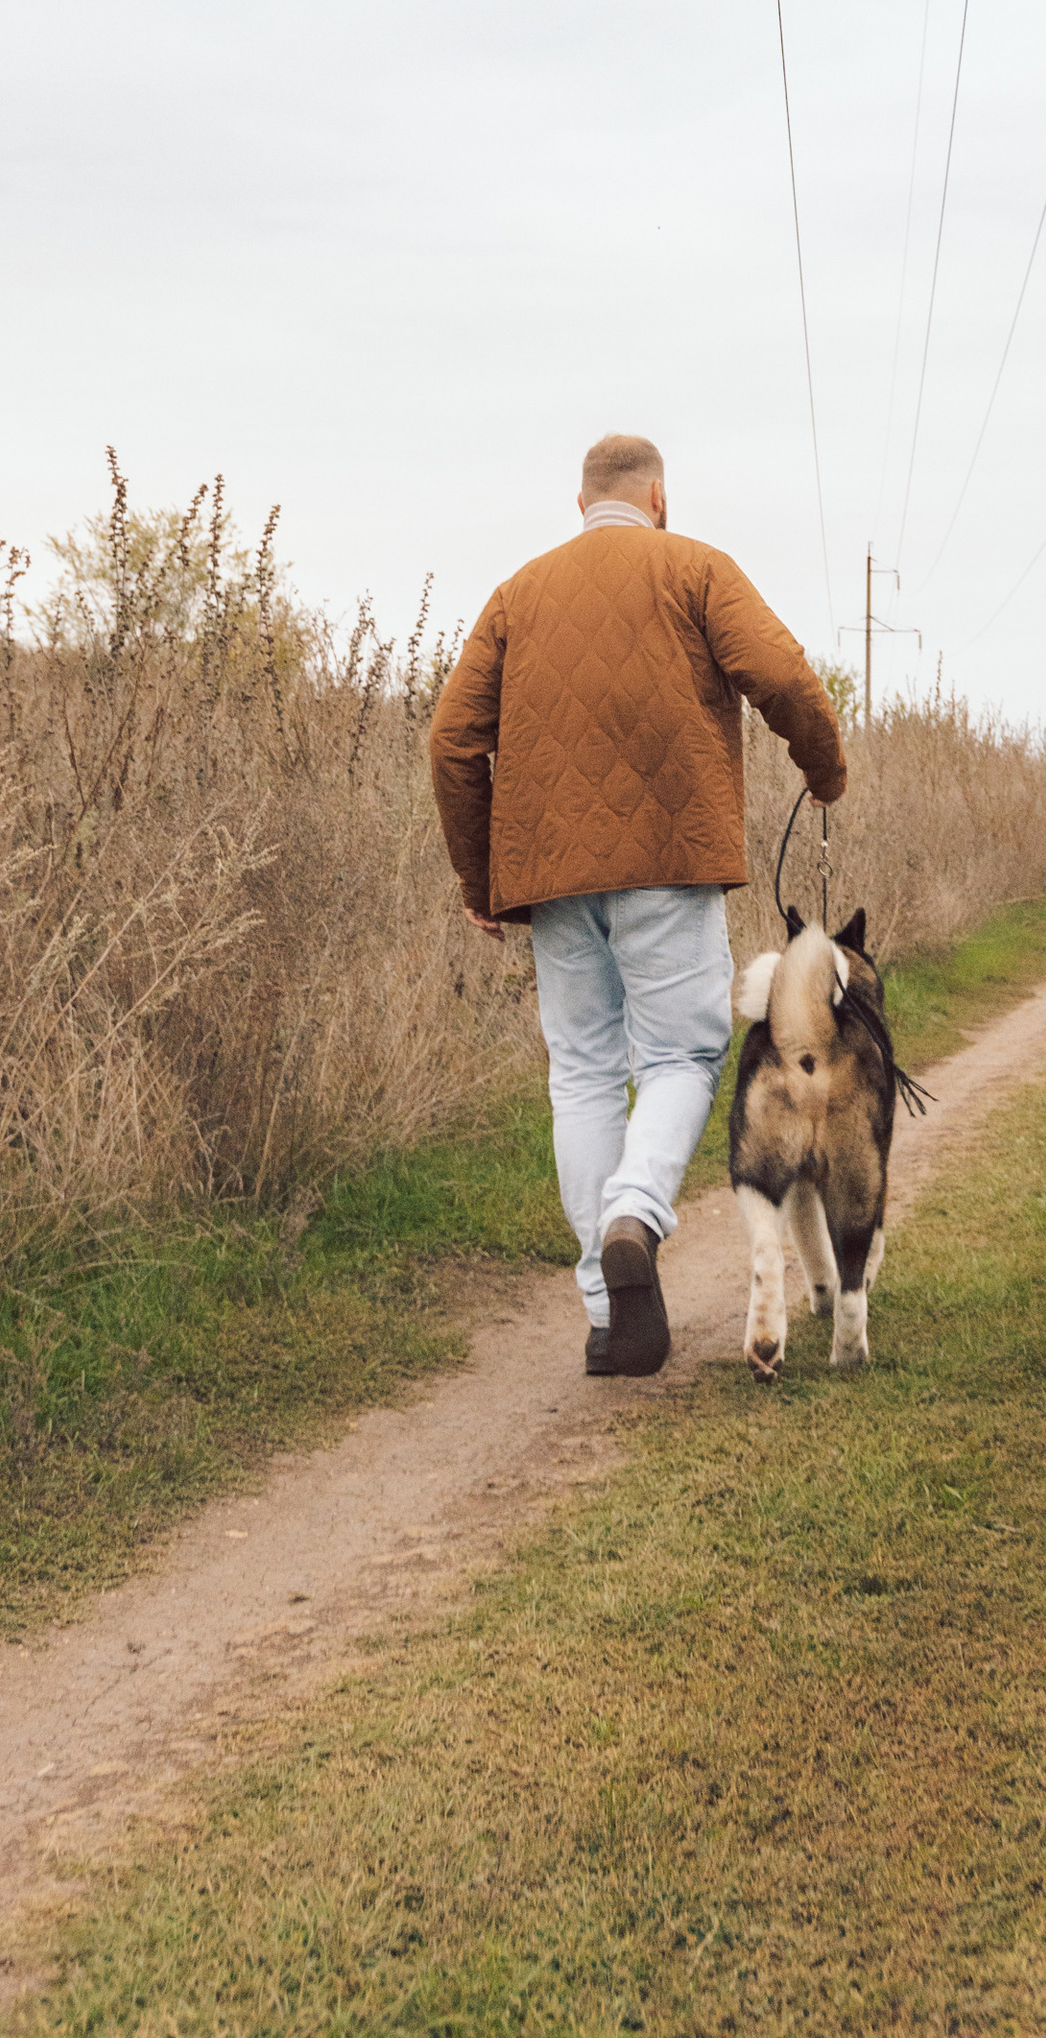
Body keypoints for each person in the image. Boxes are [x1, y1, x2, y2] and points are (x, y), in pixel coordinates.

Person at [428, 432, 845, 1379]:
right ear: (658, 496)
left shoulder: (516, 595)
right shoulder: (695, 569)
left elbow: (452, 740)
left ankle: (608, 1318)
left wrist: (477, 877)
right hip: (667, 855)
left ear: (583, 504)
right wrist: (824, 770)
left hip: (546, 874)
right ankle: (637, 1218)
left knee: (580, 1071)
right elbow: (780, 677)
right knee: (683, 1051)